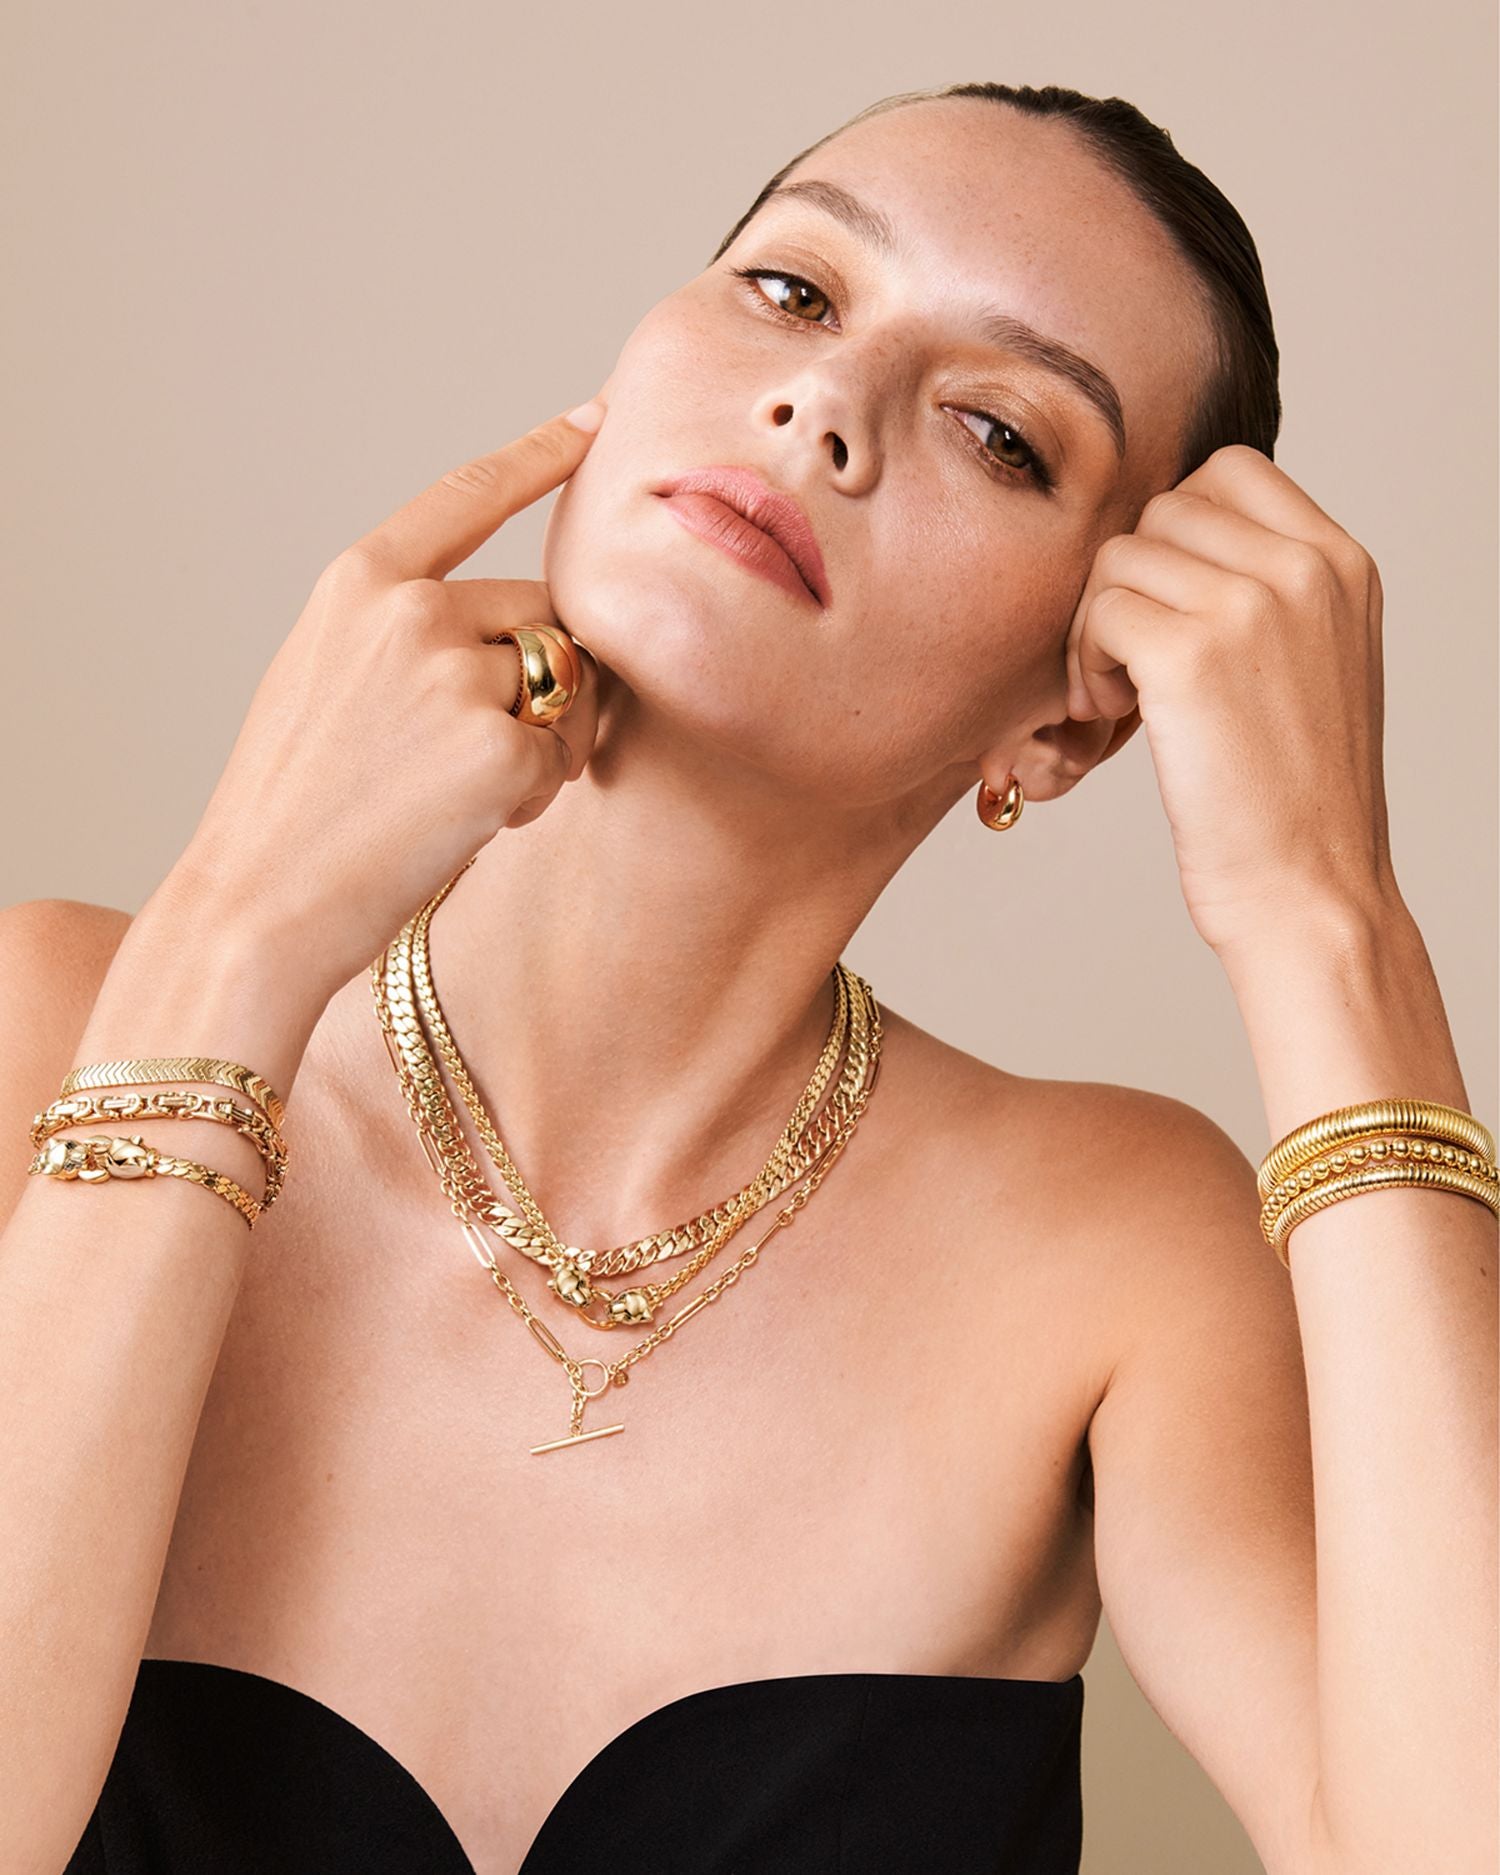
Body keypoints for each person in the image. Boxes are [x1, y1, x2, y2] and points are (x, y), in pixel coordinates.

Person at [0, 79, 1494, 1875]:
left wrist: (1329, 918)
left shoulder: (1116, 1263)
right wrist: (236, 937)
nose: (826, 406)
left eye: (1000, 433)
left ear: (1070, 719)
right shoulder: (42, 1030)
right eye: (795, 291)